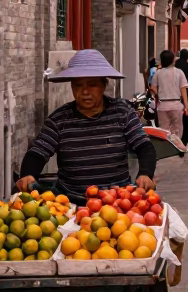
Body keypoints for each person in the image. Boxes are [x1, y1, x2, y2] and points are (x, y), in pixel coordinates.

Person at [17, 49, 156, 197]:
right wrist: (28, 175)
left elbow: (144, 146)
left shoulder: (122, 112)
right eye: (78, 85)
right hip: (70, 202)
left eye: (92, 85)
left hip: (117, 200)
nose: (84, 91)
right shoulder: (58, 119)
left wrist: (145, 174)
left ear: (104, 85)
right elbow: (37, 152)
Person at [150, 48, 188, 140]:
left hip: (162, 105)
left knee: (164, 130)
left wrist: (158, 94)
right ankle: (176, 147)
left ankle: (167, 148)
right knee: (177, 130)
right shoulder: (179, 72)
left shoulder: (158, 73)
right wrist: (186, 105)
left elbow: (153, 88)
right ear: (172, 60)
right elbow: (183, 89)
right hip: (176, 104)